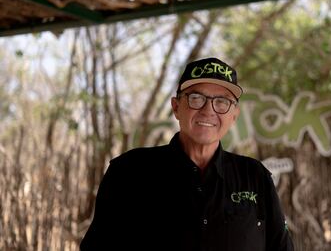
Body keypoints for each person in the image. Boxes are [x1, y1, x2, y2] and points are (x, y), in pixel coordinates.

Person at [80, 57, 294, 250]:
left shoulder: (255, 176)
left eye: (222, 102)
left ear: (234, 115)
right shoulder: (128, 171)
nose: (208, 110)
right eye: (196, 98)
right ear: (176, 107)